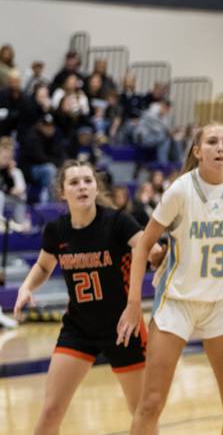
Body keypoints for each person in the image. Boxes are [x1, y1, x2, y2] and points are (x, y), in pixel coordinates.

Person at [116, 122, 223, 435]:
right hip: (176, 303)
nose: (221, 147)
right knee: (151, 402)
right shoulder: (181, 190)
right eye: (212, 142)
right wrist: (133, 304)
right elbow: (143, 245)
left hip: (222, 303)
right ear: (197, 151)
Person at [13, 160, 161, 434]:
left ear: (96, 188)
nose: (82, 186)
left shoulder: (117, 221)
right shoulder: (56, 230)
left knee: (142, 412)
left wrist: (156, 252)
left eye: (87, 181)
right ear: (62, 192)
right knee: (50, 411)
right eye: (74, 182)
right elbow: (44, 266)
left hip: (123, 328)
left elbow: (146, 249)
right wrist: (26, 287)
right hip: (79, 328)